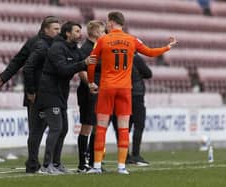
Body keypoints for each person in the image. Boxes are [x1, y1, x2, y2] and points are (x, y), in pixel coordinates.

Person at [87, 11, 177, 174]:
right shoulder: (132, 40)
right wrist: (167, 47)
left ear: (112, 22)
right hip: (125, 89)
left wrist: (92, 81)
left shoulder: (102, 40)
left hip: (107, 87)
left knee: (101, 128)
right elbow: (150, 52)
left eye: (107, 22)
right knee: (123, 128)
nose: (106, 24)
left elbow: (92, 62)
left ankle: (97, 166)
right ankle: (122, 167)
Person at [0, 16, 60, 173]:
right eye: (55, 29)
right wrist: (4, 77)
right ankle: (35, 163)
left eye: (59, 29)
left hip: (49, 94)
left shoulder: (55, 44)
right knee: (38, 129)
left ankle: (37, 163)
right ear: (46, 29)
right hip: (37, 94)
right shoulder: (37, 43)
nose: (58, 32)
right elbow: (20, 62)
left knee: (43, 129)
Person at [37, 21, 96, 174]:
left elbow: (82, 61)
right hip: (49, 92)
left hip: (61, 93)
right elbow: (63, 70)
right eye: (76, 31)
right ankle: (46, 165)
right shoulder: (57, 48)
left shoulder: (73, 48)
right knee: (56, 128)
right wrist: (83, 63)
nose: (79, 34)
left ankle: (56, 164)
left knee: (63, 129)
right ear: (68, 33)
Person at [111, 53, 152, 166]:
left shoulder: (113, 55)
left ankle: (124, 155)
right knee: (139, 124)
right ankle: (135, 155)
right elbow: (148, 73)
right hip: (135, 94)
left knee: (122, 126)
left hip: (118, 93)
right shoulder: (134, 57)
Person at [76, 20, 105, 173]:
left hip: (100, 91)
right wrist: (91, 84)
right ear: (93, 32)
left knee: (96, 126)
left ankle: (95, 162)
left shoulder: (100, 47)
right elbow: (82, 70)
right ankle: (82, 163)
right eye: (102, 30)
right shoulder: (86, 48)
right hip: (89, 91)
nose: (104, 32)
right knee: (87, 125)